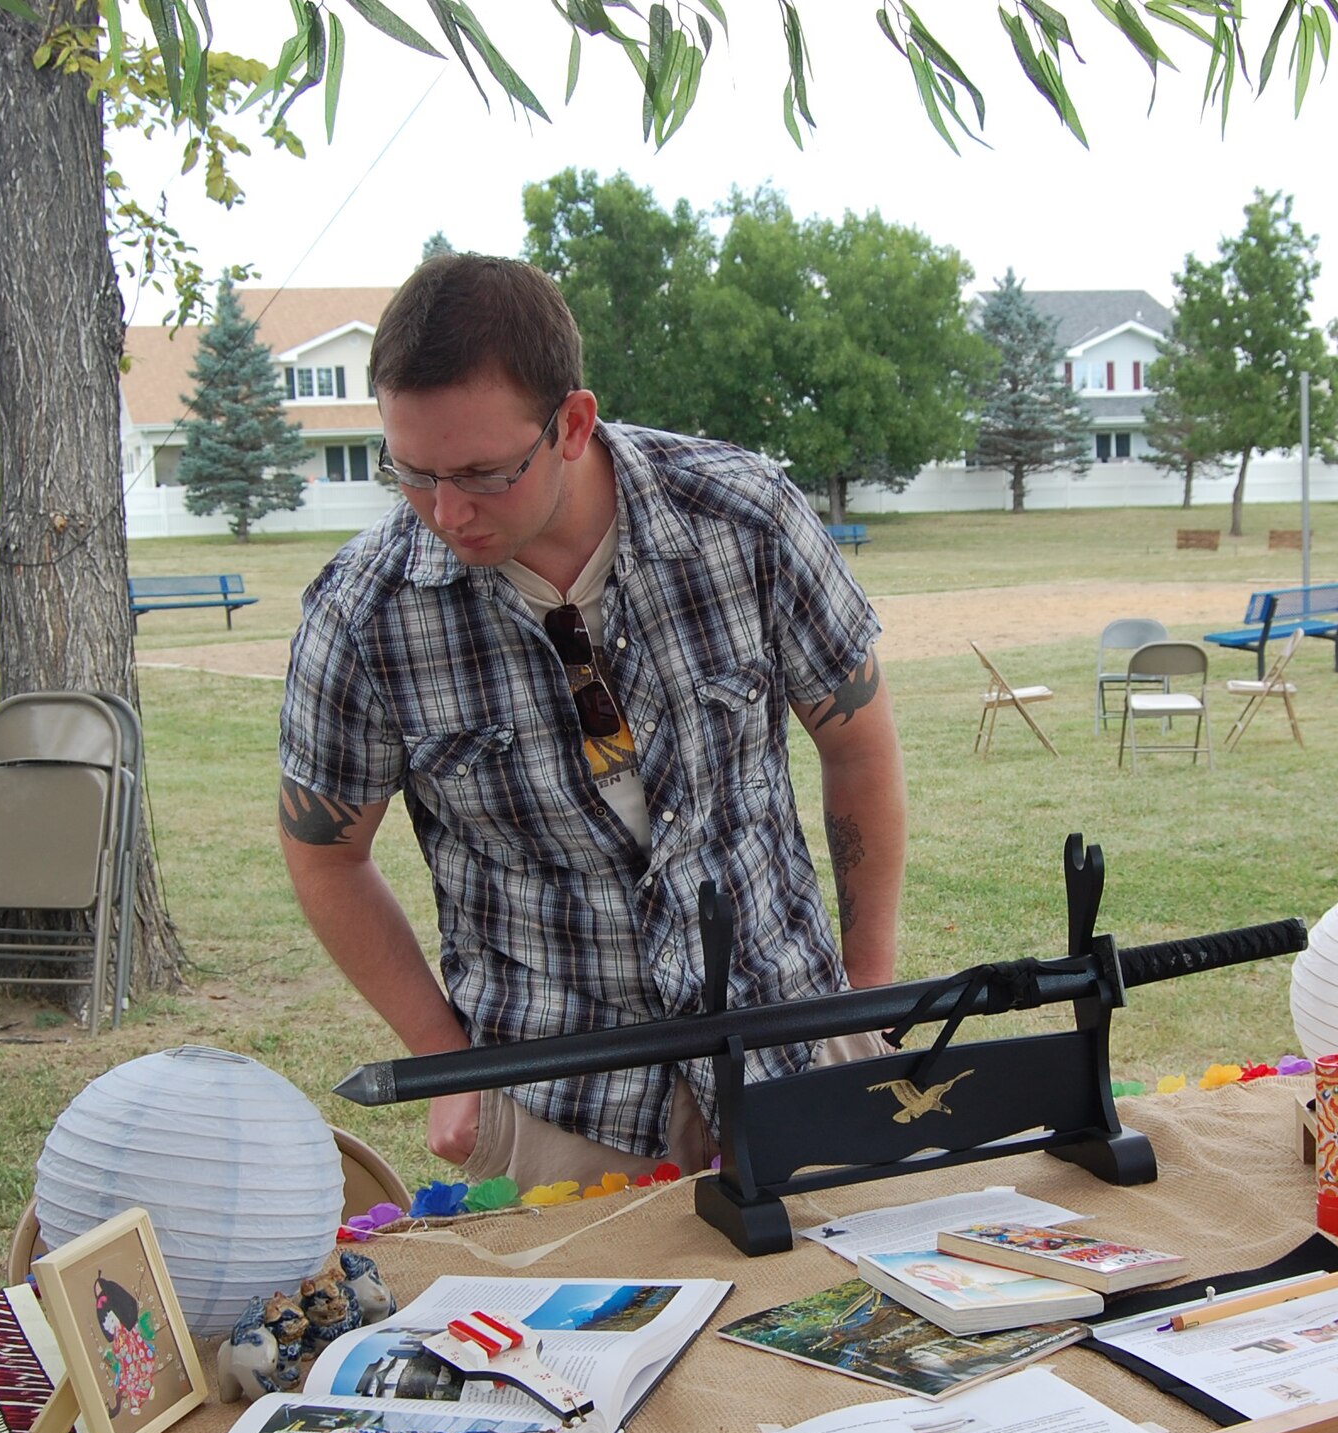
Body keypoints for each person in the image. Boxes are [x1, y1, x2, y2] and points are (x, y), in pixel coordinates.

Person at [279, 255, 907, 1189]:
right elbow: (326, 853)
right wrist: (441, 1055)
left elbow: (855, 746)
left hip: (788, 1043)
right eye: (410, 472)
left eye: (483, 473)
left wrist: (867, 987)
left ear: (573, 424)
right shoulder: (366, 611)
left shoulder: (744, 519)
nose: (446, 512)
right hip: (560, 1100)